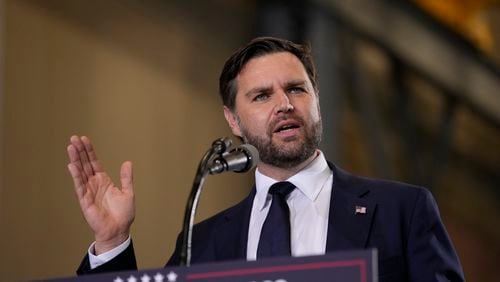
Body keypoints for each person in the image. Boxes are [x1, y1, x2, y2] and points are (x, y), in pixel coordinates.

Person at [67, 37, 465, 281]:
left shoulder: (402, 210)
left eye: (297, 89)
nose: (285, 105)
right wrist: (113, 241)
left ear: (317, 101)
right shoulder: (206, 242)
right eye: (262, 96)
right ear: (233, 120)